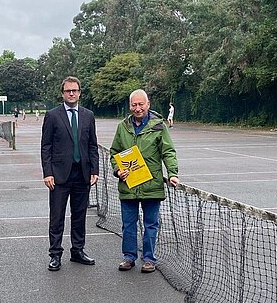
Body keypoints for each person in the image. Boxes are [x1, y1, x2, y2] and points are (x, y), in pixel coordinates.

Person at [110, 89, 179, 273]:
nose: (138, 108)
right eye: (134, 105)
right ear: (130, 106)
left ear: (148, 105)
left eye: (141, 104)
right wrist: (118, 170)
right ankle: (129, 257)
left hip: (152, 185)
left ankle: (149, 259)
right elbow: (114, 153)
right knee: (128, 224)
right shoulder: (122, 127)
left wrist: (172, 173)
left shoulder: (159, 126)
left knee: (151, 224)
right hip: (128, 186)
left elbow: (168, 151)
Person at [40, 76, 99, 271]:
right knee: (57, 216)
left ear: (80, 92)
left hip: (82, 174)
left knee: (79, 215)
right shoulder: (52, 115)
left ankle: (78, 251)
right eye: (68, 91)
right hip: (58, 176)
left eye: (75, 90)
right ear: (63, 93)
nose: (71, 93)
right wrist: (47, 172)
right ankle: (55, 254)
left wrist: (94, 170)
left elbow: (92, 145)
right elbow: (46, 146)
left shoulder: (88, 115)